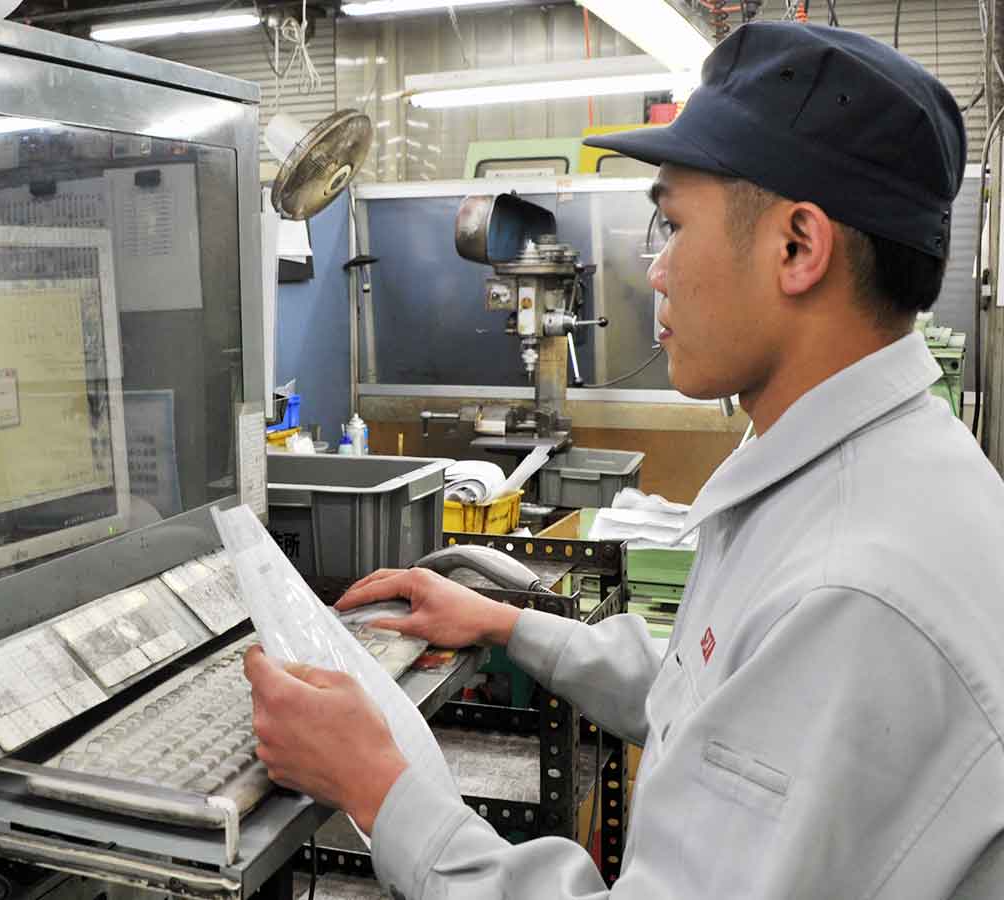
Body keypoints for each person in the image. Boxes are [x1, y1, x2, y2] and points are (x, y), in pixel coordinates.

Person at [243, 20, 1004, 899]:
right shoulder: (857, 477)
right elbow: (711, 701)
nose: (658, 269)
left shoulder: (857, 592)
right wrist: (504, 624)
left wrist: (381, 790)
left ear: (798, 247)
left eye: (673, 224)